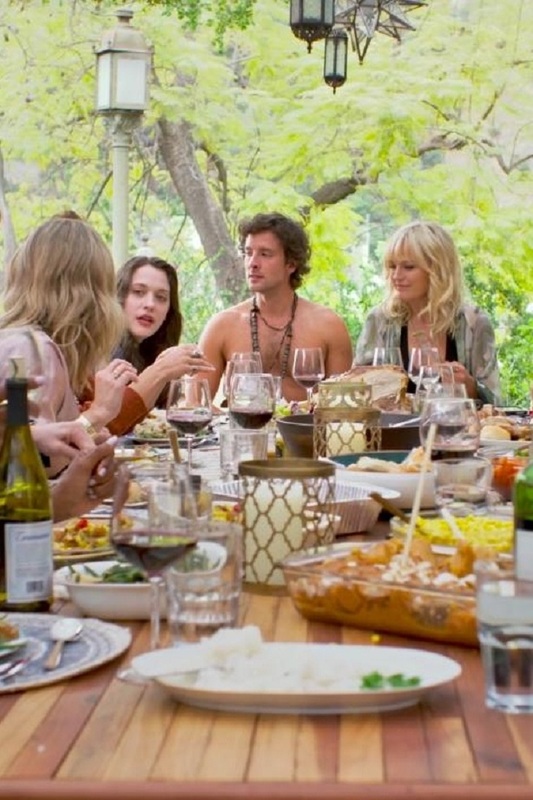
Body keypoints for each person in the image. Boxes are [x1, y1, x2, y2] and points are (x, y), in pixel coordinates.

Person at [197, 212, 353, 403]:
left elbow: (342, 407)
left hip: (305, 423)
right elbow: (196, 404)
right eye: (248, 253)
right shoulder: (222, 326)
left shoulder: (329, 326)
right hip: (242, 422)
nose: (253, 263)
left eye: (265, 254)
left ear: (291, 264)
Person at [355, 220, 502, 405]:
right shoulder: (380, 320)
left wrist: (471, 388)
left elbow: (497, 403)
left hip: (453, 424)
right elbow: (356, 392)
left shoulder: (473, 322)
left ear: (437, 269)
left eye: (408, 267)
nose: (396, 276)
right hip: (394, 425)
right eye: (392, 266)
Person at [111, 255, 213, 428]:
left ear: (168, 312)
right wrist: (161, 370)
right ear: (119, 297)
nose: (150, 304)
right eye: (138, 292)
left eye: (161, 297)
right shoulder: (101, 351)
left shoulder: (150, 351)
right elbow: (107, 425)